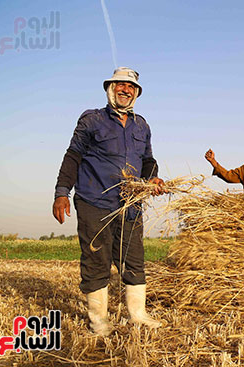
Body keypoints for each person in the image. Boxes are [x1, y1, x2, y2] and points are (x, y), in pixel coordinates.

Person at [52, 67, 165, 336]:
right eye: (120, 86)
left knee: (133, 259)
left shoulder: (142, 125)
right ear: (110, 89)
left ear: (136, 93)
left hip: (130, 205)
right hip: (95, 200)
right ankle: (98, 320)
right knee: (97, 259)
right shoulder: (92, 120)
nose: (125, 90)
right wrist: (61, 192)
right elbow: (73, 156)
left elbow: (148, 161)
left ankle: (138, 314)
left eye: (131, 87)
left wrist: (152, 179)